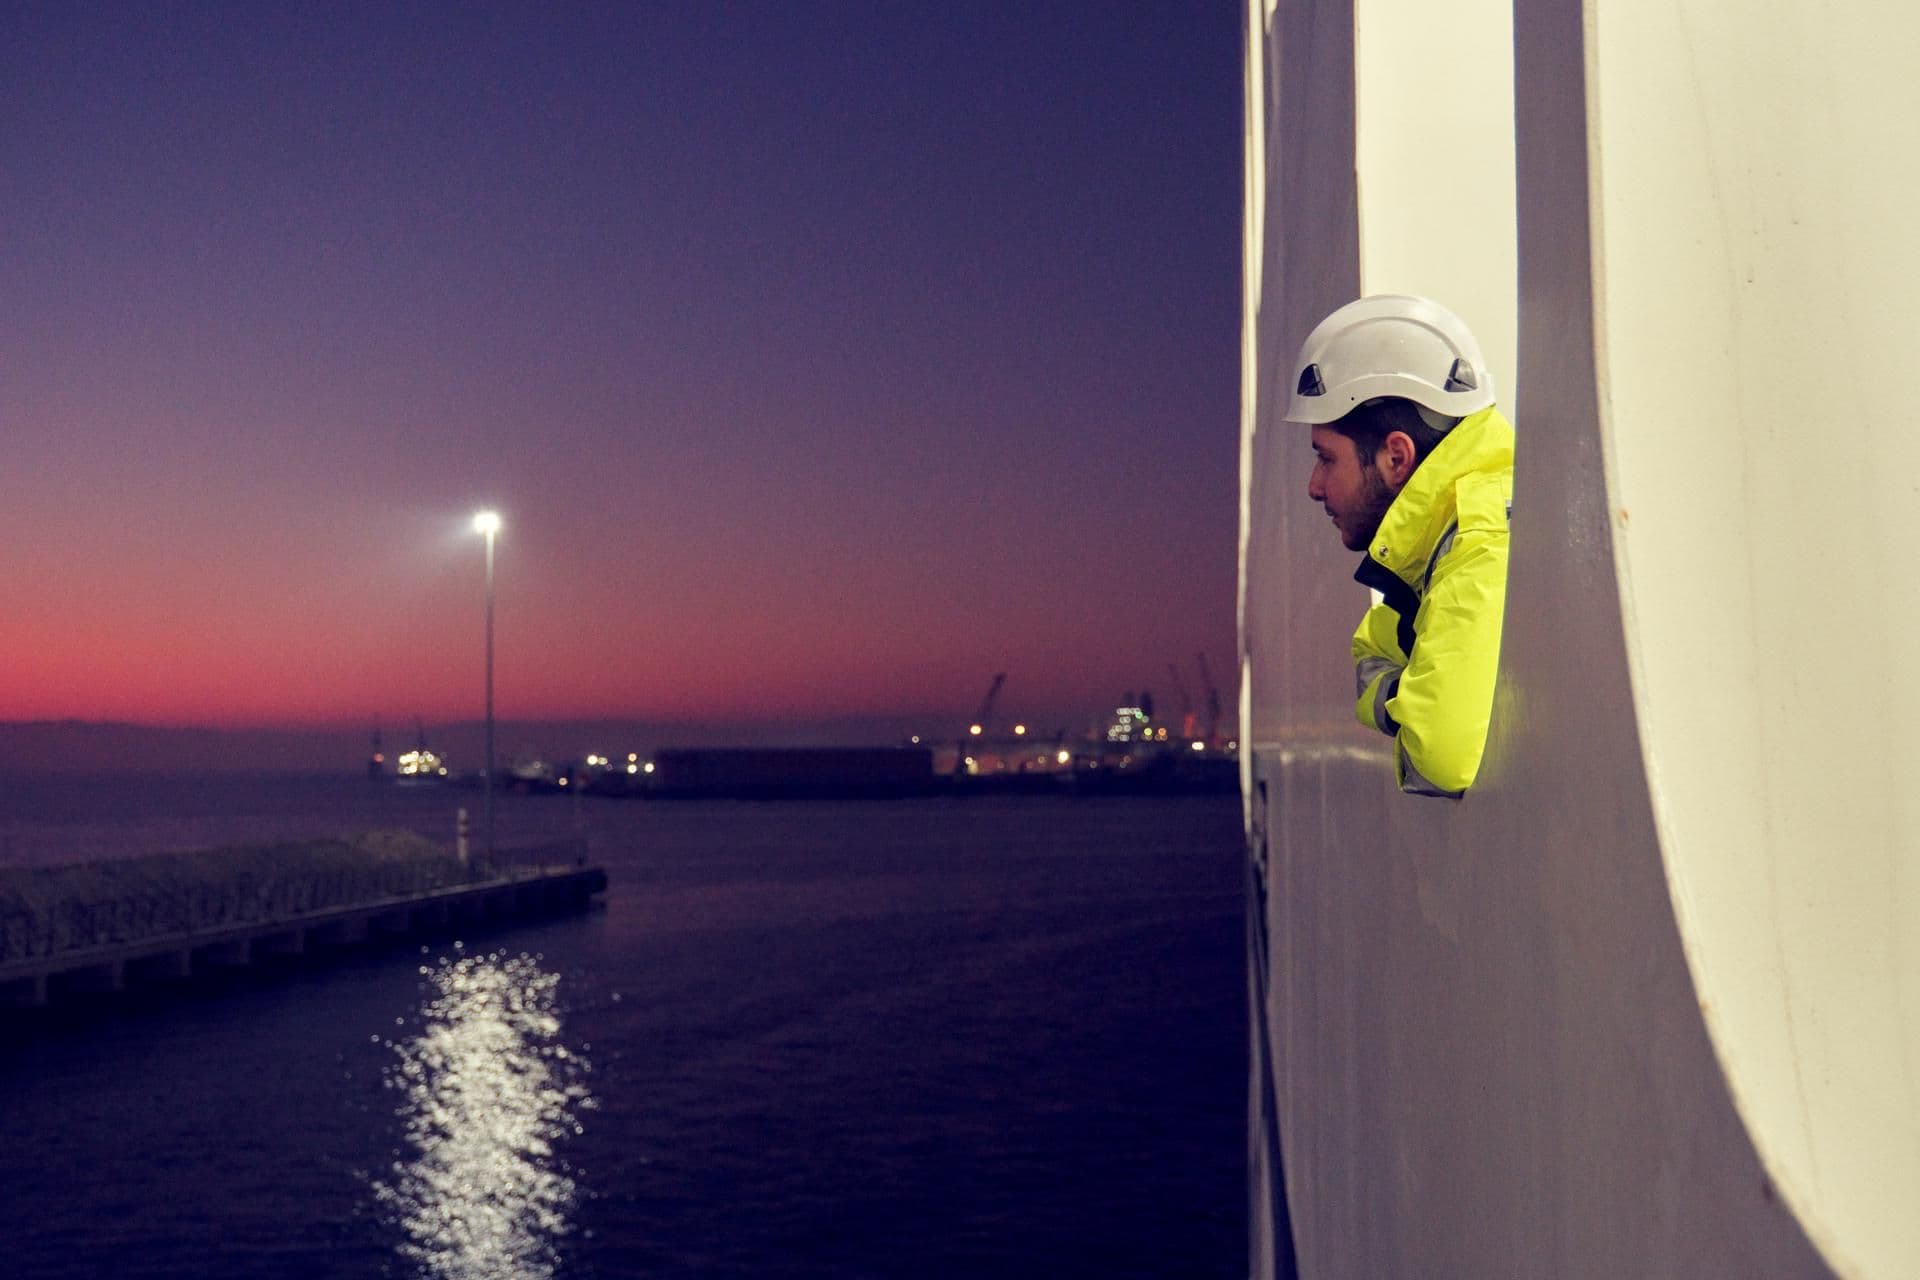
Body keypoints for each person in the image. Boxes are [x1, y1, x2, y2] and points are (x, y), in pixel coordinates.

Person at [1289, 294, 1515, 797]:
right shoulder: (1443, 542)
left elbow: (1441, 752)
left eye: (1326, 459)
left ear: (1396, 457)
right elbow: (1371, 648)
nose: (1314, 486)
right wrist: (1408, 693)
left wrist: (1396, 697)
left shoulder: (1479, 538)